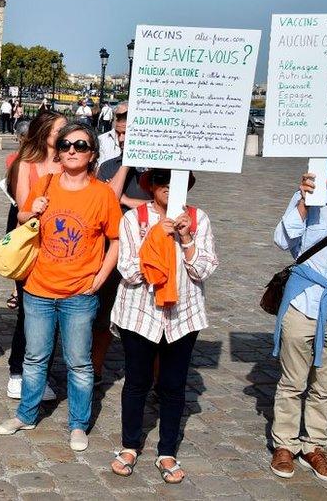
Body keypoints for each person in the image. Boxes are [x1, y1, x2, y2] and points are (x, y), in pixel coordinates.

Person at [0, 122, 122, 453]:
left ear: (92, 154)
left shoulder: (102, 194)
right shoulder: (47, 184)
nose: (71, 150)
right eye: (66, 145)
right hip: (38, 289)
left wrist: (100, 278)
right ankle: (26, 414)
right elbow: (23, 219)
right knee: (35, 358)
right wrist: (29, 211)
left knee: (78, 362)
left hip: (80, 294)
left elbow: (116, 240)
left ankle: (78, 424)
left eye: (80, 146)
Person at [108, 168, 217, 484]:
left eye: (176, 182)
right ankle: (129, 446)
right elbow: (128, 270)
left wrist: (185, 239)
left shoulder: (198, 220)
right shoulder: (135, 219)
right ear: (151, 186)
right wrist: (155, 239)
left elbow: (204, 269)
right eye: (161, 181)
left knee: (173, 385)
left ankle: (167, 451)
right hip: (139, 315)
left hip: (183, 315)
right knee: (136, 381)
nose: (169, 187)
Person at [269, 158, 327, 484]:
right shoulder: (311, 194)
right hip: (303, 301)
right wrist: (303, 203)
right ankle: (284, 445)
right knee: (292, 380)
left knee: (326, 385)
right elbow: (281, 240)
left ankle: (314, 446)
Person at [3, 111, 66, 401]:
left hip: (61, 243)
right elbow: (21, 210)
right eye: (59, 130)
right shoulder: (26, 165)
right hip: (31, 238)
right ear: (44, 133)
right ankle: (18, 371)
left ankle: (40, 373)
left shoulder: (69, 162)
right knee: (29, 311)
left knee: (54, 313)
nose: (66, 135)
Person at [93, 110, 151, 383]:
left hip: (148, 251)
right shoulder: (109, 166)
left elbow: (165, 208)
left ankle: (151, 380)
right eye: (119, 133)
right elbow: (108, 197)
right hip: (112, 248)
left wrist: (127, 201)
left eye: (128, 133)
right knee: (102, 316)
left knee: (149, 319)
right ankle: (95, 370)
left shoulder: (156, 170)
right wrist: (126, 163)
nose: (122, 138)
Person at [97, 102, 126, 169]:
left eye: (125, 116)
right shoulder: (102, 139)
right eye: (118, 117)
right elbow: (99, 168)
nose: (121, 139)